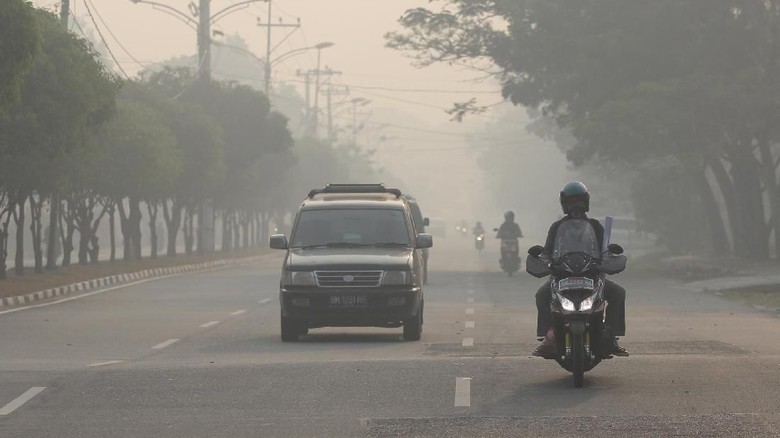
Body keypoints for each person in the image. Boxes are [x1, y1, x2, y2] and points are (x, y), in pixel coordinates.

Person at [532, 181, 629, 358]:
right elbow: (547, 252)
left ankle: (611, 336)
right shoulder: (556, 227)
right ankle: (549, 336)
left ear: (586, 203)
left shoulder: (596, 226)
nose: (575, 205)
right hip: (561, 276)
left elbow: (605, 251)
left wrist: (607, 259)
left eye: (579, 201)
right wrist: (545, 261)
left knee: (618, 293)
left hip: (592, 275)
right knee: (541, 295)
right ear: (564, 204)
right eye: (571, 201)